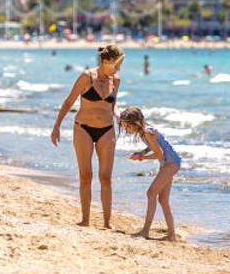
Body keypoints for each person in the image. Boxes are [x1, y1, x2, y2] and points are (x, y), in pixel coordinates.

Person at [50, 45, 124, 228]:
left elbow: (113, 104)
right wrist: (57, 126)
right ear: (106, 62)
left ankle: (107, 222)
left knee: (106, 177)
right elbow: (69, 101)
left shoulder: (116, 80)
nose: (119, 68)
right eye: (117, 64)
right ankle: (85, 219)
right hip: (83, 129)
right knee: (86, 175)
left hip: (107, 129)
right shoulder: (86, 77)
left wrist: (118, 115)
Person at [119, 106, 181, 242]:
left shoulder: (146, 132)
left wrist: (142, 158)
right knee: (163, 199)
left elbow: (159, 153)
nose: (125, 129)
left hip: (170, 163)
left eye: (126, 126)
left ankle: (145, 230)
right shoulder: (145, 131)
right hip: (168, 163)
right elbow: (153, 146)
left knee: (151, 193)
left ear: (133, 123)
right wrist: (141, 153)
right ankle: (172, 235)